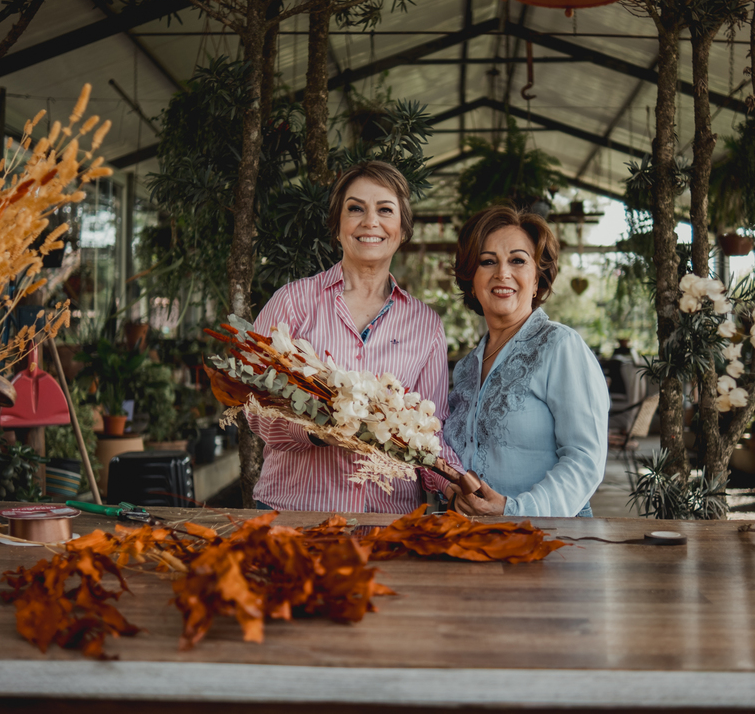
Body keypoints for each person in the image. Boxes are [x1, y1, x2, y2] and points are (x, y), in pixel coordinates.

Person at [250, 160, 464, 512]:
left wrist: (454, 484)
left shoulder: (425, 325)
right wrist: (317, 428)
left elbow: (430, 433)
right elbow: (254, 406)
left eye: (385, 210)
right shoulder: (292, 304)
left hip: (387, 525)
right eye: (355, 209)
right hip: (294, 518)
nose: (370, 222)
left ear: (402, 229)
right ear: (337, 226)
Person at [444, 206, 608, 518]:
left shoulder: (561, 347)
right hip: (473, 540)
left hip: (548, 541)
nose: (502, 273)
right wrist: (454, 489)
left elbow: (585, 459)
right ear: (472, 280)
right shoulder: (467, 367)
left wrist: (515, 510)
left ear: (537, 279)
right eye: (487, 261)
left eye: (517, 260)